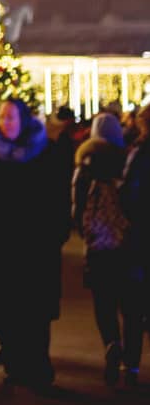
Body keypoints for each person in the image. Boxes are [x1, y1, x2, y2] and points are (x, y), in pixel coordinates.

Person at [0, 97, 71, 391]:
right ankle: (15, 362)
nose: (6, 123)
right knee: (6, 308)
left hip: (36, 247)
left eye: (11, 117)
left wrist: (56, 233)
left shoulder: (45, 152)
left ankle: (38, 366)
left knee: (35, 310)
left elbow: (57, 196)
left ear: (23, 120)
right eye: (2, 117)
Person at [72, 112, 131, 385]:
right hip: (125, 242)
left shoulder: (85, 164)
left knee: (103, 300)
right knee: (130, 302)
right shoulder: (127, 160)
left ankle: (110, 341)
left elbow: (77, 206)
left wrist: (85, 232)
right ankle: (131, 362)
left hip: (98, 245)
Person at [119, 103, 150, 386]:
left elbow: (128, 196)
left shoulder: (139, 155)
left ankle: (131, 365)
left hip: (141, 238)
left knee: (134, 305)